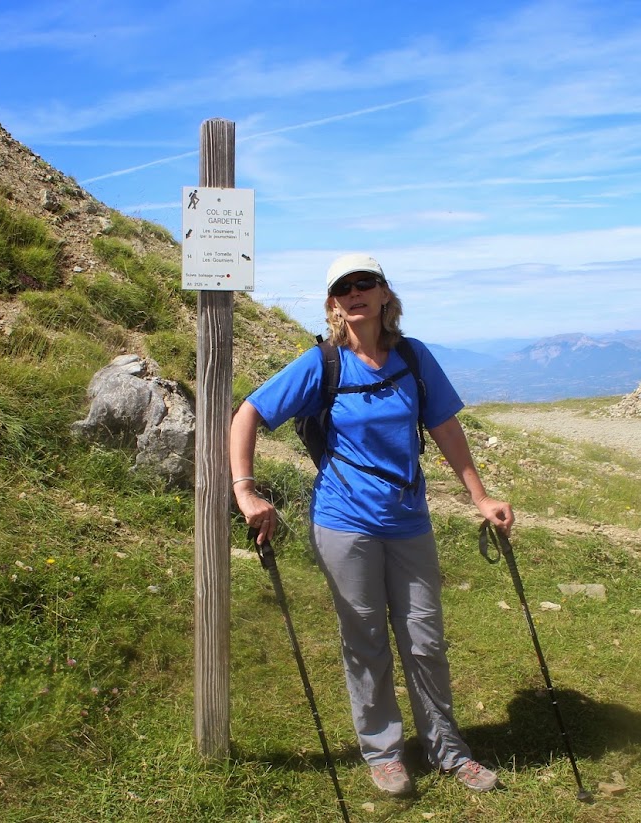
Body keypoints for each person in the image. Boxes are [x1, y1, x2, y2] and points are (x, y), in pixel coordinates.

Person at [230, 252, 515, 796]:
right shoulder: (323, 363)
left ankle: (448, 749)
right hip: (344, 521)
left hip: (409, 520)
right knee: (365, 640)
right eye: (344, 287)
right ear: (334, 303)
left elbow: (445, 427)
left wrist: (478, 495)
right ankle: (383, 752)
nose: (355, 292)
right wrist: (245, 490)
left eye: (367, 282)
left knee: (425, 639)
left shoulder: (414, 357)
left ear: (385, 294)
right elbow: (249, 413)